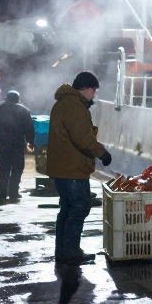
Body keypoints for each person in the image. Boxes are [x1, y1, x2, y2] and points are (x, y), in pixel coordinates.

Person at [46, 71, 112, 265]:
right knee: (79, 208)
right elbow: (82, 137)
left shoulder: (63, 103)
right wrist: (102, 153)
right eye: (94, 91)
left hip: (63, 167)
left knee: (67, 209)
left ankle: (64, 251)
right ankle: (71, 253)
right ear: (86, 89)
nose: (94, 95)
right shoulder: (75, 106)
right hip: (72, 168)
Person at [0, 90, 35, 202]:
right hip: (18, 145)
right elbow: (29, 129)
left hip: (3, 145)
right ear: (18, 98)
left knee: (4, 168)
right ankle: (13, 193)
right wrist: (31, 142)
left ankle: (2, 193)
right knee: (17, 168)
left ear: (7, 98)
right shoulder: (24, 110)